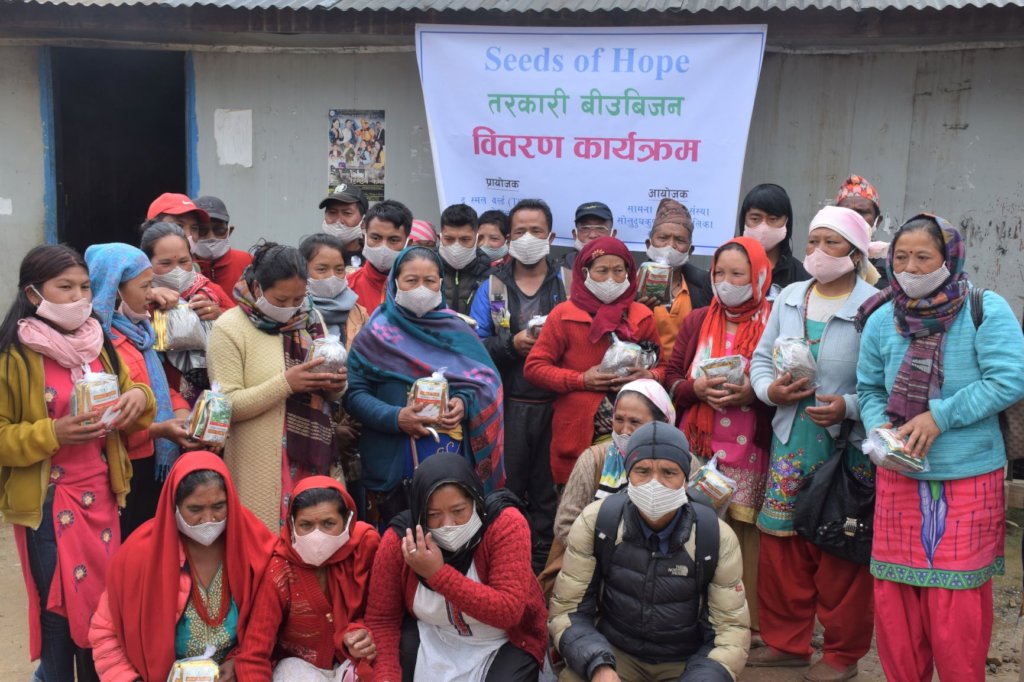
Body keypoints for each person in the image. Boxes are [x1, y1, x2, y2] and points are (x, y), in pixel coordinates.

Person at [856, 215, 1024, 682]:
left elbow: (1009, 378)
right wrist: (880, 431)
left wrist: (939, 416)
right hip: (898, 474)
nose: (910, 267)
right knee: (896, 597)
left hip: (967, 476)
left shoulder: (984, 309)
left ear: (948, 258)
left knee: (957, 604)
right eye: (901, 257)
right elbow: (869, 388)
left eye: (923, 257)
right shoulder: (882, 318)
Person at [0, 244, 156, 681]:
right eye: (64, 288)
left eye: (84, 287)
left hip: (104, 495)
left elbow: (139, 396)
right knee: (57, 606)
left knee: (103, 603)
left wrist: (135, 399)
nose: (78, 298)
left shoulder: (97, 342)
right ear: (34, 295)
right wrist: (53, 434)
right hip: (50, 502)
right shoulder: (15, 355)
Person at [747, 206, 877, 680]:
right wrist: (769, 392)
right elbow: (761, 361)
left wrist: (849, 407)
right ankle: (787, 643)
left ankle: (842, 654)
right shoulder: (790, 299)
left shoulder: (874, 305)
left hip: (844, 449)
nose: (817, 253)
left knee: (840, 548)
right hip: (790, 440)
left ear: (856, 252)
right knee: (782, 546)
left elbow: (886, 384)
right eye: (813, 242)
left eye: (831, 243)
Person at [549, 422, 749, 682]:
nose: (655, 484)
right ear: (628, 475)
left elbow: (730, 631)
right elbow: (568, 610)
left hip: (685, 662)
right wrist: (598, 664)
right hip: (615, 652)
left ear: (685, 479)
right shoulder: (598, 522)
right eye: (642, 471)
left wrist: (702, 677)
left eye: (669, 472)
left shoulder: (716, 538)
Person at [344, 246, 504, 527]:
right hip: (391, 465)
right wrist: (395, 418)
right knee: (394, 542)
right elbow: (354, 393)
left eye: (429, 281)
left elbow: (486, 383)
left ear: (441, 283)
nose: (421, 289)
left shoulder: (458, 331)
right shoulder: (376, 333)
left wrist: (464, 404)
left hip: (451, 459)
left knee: (449, 536)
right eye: (411, 281)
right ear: (396, 283)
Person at [665, 236, 774, 636]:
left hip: (750, 447)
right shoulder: (697, 320)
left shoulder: (774, 320)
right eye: (720, 273)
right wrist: (696, 390)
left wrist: (753, 391)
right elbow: (671, 376)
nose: (726, 282)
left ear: (759, 275)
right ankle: (693, 614)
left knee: (744, 534)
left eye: (738, 274)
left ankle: (743, 624)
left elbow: (784, 384)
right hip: (699, 445)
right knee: (696, 526)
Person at [89, 452, 276, 681]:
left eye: (219, 506)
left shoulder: (255, 544)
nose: (208, 519)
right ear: (173, 506)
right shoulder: (139, 555)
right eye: (195, 510)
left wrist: (240, 659)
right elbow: (104, 632)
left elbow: (277, 620)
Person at [365, 452, 548, 682]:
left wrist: (438, 574)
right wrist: (386, 677)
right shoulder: (401, 540)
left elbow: (509, 611)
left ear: (475, 500)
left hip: (501, 640)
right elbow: (382, 620)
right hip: (435, 636)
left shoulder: (505, 524)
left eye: (459, 511)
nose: (448, 524)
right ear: (419, 512)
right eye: (433, 515)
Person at [207, 242, 347, 529]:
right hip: (258, 463)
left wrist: (336, 384)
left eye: (298, 298)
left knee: (315, 541)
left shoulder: (310, 318)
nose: (291, 308)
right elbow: (227, 405)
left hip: (311, 456)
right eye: (281, 300)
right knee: (263, 549)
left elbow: (328, 394)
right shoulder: (230, 327)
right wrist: (286, 383)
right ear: (257, 287)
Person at [469, 198, 567, 571]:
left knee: (548, 497)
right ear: (508, 239)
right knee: (504, 493)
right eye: (520, 232)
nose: (528, 238)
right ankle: (505, 567)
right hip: (506, 408)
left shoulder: (567, 283)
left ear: (551, 236)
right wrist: (512, 345)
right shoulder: (491, 286)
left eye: (536, 231)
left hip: (556, 407)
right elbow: (474, 348)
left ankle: (542, 573)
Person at [524, 237, 667, 488]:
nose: (611, 279)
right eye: (602, 271)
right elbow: (534, 368)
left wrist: (647, 375)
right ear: (585, 273)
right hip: (578, 435)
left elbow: (664, 368)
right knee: (576, 511)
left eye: (618, 271)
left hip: (633, 435)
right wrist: (580, 379)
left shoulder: (641, 316)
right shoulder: (564, 315)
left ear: (629, 274)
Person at [84, 242, 195, 537]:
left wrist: (182, 413)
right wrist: (161, 429)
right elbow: (108, 419)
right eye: (144, 286)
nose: (151, 294)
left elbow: (159, 386)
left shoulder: (140, 332)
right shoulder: (98, 346)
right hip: (123, 465)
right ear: (114, 290)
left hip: (152, 457)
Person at [540, 379, 680, 598]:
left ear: (661, 424)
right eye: (619, 419)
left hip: (662, 576)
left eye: (635, 422)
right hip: (595, 573)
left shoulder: (681, 465)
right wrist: (613, 557)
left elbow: (693, 524)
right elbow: (566, 523)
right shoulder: (595, 460)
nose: (624, 430)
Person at [234, 476, 380, 680]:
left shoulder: (364, 550)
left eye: (328, 523)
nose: (317, 535)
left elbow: (385, 618)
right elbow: (254, 654)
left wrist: (361, 635)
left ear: (347, 522)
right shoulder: (280, 571)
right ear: (292, 525)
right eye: (306, 525)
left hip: (353, 664)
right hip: (298, 670)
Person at [300, 233, 369, 507]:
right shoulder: (295, 315)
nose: (332, 276)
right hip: (307, 430)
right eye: (321, 269)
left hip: (354, 432)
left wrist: (348, 428)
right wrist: (329, 430)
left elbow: (366, 371)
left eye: (339, 269)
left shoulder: (359, 313)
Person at [141, 222, 234, 403]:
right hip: (159, 394)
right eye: (166, 263)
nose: (177, 270)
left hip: (210, 397)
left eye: (184, 261)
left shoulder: (208, 289)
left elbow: (240, 323)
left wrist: (219, 314)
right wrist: (149, 297)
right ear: (146, 263)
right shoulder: (137, 295)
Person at [639, 198, 713, 357]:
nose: (670, 246)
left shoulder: (705, 286)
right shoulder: (630, 286)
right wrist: (636, 314)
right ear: (648, 244)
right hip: (643, 374)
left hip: (686, 374)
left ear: (690, 250)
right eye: (663, 238)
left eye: (679, 240)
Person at [737, 183, 809, 298]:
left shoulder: (800, 276)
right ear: (743, 220)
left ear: (787, 222)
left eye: (773, 219)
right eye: (755, 218)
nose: (763, 227)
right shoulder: (726, 268)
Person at [347, 199, 413, 314]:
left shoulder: (419, 290)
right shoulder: (347, 288)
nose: (384, 247)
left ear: (408, 244)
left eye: (394, 240)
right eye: (376, 238)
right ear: (364, 237)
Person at [189, 195, 253, 300]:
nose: (211, 237)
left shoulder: (248, 262)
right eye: (202, 231)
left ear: (229, 231)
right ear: (192, 233)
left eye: (219, 230)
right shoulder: (182, 267)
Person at [834, 175, 888, 288]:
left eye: (862, 212)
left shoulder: (891, 266)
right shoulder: (824, 259)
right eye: (846, 212)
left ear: (877, 221)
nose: (854, 218)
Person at [438, 203, 492, 316]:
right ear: (440, 238)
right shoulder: (425, 271)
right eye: (449, 239)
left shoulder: (492, 277)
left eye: (465, 239)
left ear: (478, 239)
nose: (456, 246)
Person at [320, 184, 369, 267]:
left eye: (347, 213)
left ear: (363, 222)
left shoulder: (372, 259)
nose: (338, 220)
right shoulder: (311, 255)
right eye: (332, 212)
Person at [560, 201, 615, 271]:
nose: (593, 235)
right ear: (575, 234)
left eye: (600, 228)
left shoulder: (624, 268)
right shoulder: (562, 270)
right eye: (585, 228)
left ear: (612, 234)